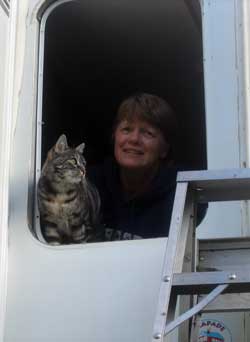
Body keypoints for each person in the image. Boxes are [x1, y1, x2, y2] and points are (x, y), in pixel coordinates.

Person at [89, 92, 204, 241]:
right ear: (114, 137)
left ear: (164, 149)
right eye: (126, 129)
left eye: (148, 133)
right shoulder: (88, 185)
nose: (134, 139)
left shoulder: (183, 194)